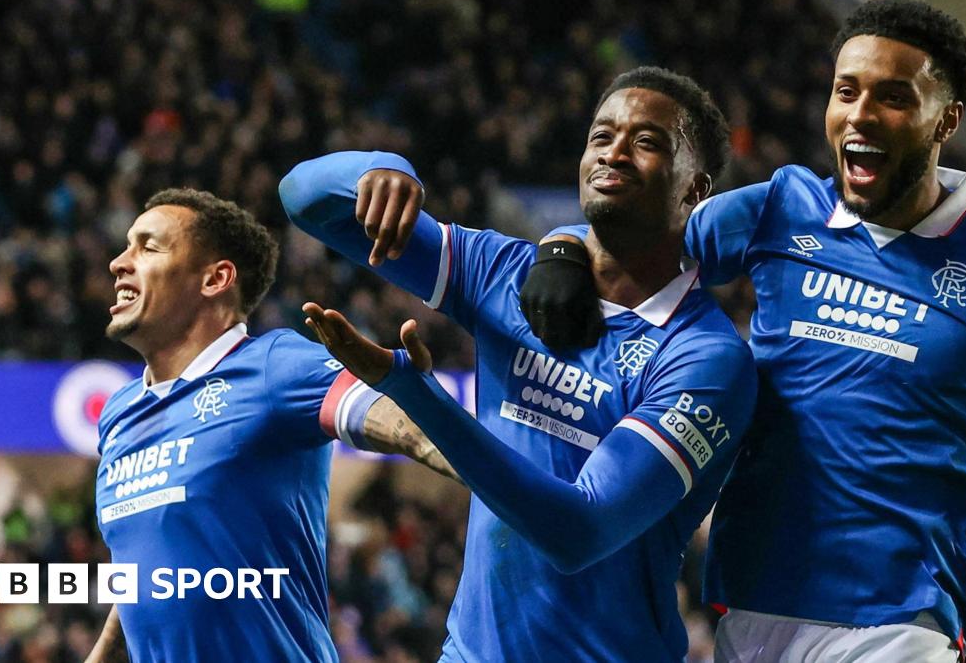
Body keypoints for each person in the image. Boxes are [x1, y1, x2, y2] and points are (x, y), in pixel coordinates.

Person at [518, 0, 966, 663]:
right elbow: (632, 237)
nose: (861, 114)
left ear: (947, 121)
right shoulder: (782, 207)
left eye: (894, 96)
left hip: (896, 627)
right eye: (847, 90)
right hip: (749, 614)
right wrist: (561, 248)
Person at [280, 66, 758, 662]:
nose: (614, 153)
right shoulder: (505, 273)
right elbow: (305, 199)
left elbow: (578, 532)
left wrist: (412, 393)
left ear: (695, 190)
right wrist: (384, 169)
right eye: (601, 136)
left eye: (647, 141)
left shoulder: (706, 357)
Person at [85, 188, 452, 662]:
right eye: (126, 245)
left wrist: (434, 415)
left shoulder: (274, 367)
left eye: (148, 246)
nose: (119, 262)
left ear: (216, 279)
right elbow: (149, 566)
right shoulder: (119, 412)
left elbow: (409, 431)